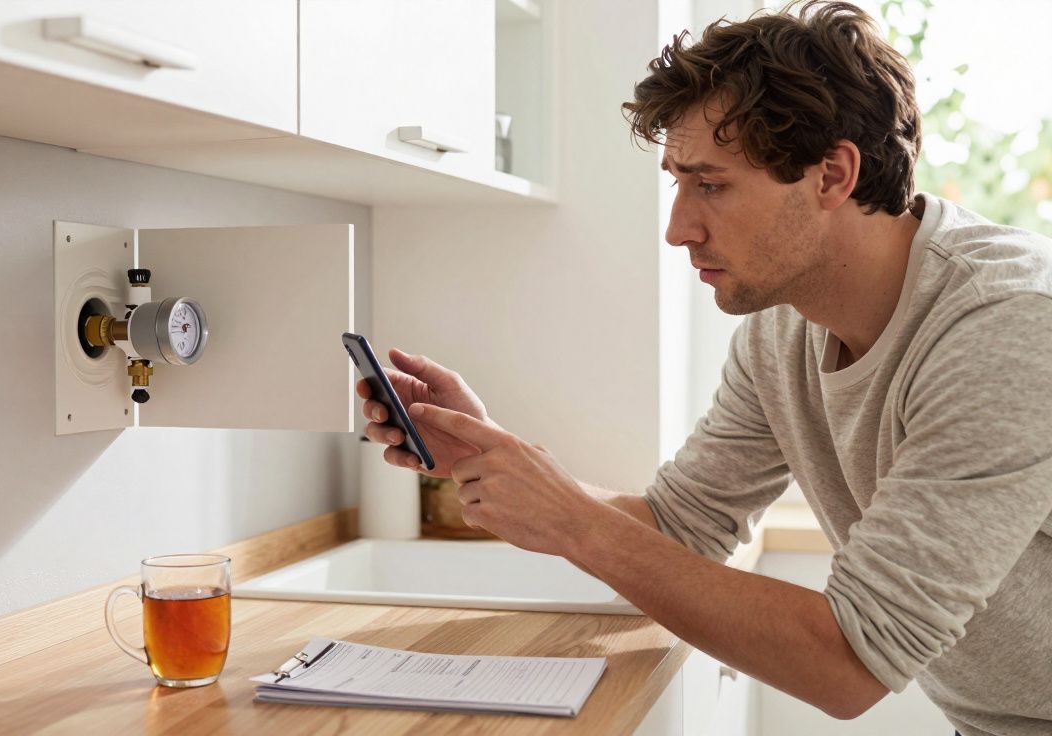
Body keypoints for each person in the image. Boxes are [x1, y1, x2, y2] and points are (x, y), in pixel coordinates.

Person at [356, 3, 1052, 735]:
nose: (677, 228)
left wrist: (570, 516)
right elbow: (679, 529)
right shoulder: (783, 328)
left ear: (833, 174)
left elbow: (847, 665)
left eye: (710, 185)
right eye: (677, 184)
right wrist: (497, 458)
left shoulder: (1007, 324)